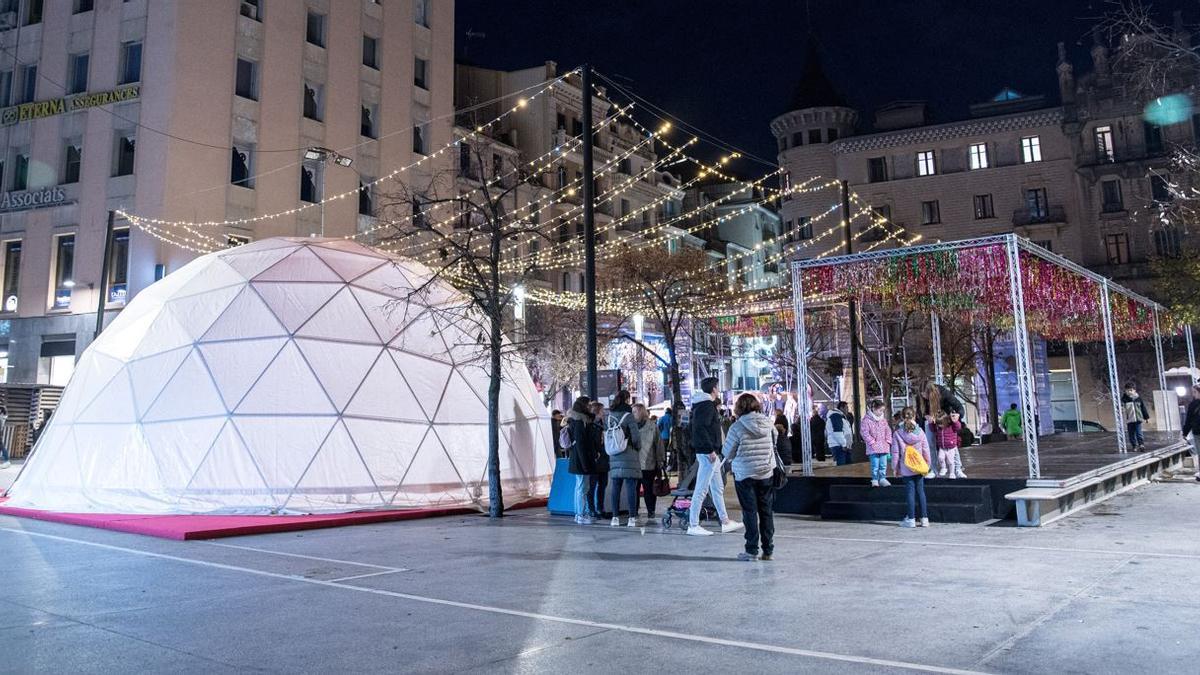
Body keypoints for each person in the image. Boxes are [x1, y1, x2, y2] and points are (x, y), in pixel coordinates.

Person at [723, 393, 778, 561]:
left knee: (749, 512)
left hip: (745, 474)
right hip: (766, 472)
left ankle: (751, 550)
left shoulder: (737, 427)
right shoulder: (768, 423)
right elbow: (774, 442)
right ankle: (768, 550)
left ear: (739, 408)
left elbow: (728, 452)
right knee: (766, 511)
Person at [686, 376, 743, 536]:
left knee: (717, 488)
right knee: (702, 489)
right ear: (713, 389)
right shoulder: (706, 406)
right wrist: (710, 449)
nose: (719, 390)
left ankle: (724, 521)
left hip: (710, 452)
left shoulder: (702, 405)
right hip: (708, 453)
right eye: (717, 387)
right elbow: (701, 429)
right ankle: (693, 524)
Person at [891, 407, 931, 528]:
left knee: (910, 493)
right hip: (919, 467)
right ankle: (924, 519)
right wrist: (927, 465)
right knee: (921, 492)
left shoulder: (897, 433)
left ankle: (911, 519)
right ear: (914, 417)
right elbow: (926, 450)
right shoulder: (921, 432)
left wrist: (895, 468)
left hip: (906, 467)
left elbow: (895, 453)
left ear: (902, 417)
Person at [607, 399, 642, 528]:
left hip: (614, 454)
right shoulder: (629, 417)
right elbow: (636, 437)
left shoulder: (609, 417)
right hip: (629, 454)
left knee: (615, 488)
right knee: (631, 488)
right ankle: (631, 518)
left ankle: (615, 517)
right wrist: (637, 447)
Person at [564, 397, 596, 524]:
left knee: (581, 487)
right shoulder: (579, 422)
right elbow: (581, 444)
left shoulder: (578, 420)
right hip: (581, 460)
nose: (590, 407)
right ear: (583, 406)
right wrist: (585, 463)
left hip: (578, 459)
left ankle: (580, 513)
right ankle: (580, 514)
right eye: (588, 404)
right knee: (582, 487)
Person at [634, 404, 667, 519]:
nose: (633, 414)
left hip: (648, 464)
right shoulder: (631, 426)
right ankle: (634, 511)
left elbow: (658, 445)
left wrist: (660, 461)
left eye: (635, 412)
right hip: (634, 464)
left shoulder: (652, 426)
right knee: (634, 489)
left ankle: (651, 510)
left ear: (642, 413)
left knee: (649, 489)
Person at [861, 399, 892, 487]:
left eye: (882, 410)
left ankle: (882, 478)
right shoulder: (866, 420)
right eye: (880, 410)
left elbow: (888, 430)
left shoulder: (883, 420)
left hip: (883, 446)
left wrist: (888, 441)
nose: (881, 412)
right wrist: (872, 442)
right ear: (874, 409)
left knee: (883, 464)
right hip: (873, 448)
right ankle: (875, 479)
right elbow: (864, 432)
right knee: (875, 465)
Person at [588, 401, 610, 519]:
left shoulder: (603, 425)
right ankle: (592, 509)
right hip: (595, 460)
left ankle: (600, 508)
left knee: (602, 485)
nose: (604, 413)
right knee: (592, 486)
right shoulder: (591, 425)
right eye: (602, 411)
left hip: (604, 459)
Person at [933, 412, 964, 479]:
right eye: (938, 424)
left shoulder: (951, 426)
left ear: (945, 422)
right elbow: (932, 428)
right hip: (942, 447)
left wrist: (955, 421)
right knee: (940, 458)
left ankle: (952, 473)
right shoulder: (939, 429)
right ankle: (944, 468)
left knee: (950, 461)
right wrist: (931, 422)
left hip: (951, 447)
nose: (940, 425)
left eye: (941, 424)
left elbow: (958, 427)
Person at [1121, 384, 1150, 452]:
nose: (1129, 392)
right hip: (1130, 419)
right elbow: (1121, 408)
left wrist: (1146, 417)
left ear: (1134, 390)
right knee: (1131, 434)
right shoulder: (1124, 399)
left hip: (1138, 419)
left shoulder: (1138, 399)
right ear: (1125, 391)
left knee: (1139, 432)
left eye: (1131, 390)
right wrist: (1122, 409)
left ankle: (1141, 444)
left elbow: (1143, 408)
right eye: (1127, 390)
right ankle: (1134, 445)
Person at [1181, 383, 1200, 482]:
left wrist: (1185, 433)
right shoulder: (1193, 404)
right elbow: (1188, 420)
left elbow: (1188, 420)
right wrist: (1185, 432)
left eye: (1195, 392)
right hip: (1197, 432)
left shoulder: (1193, 404)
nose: (1193, 394)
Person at [825, 401, 853, 465]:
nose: (848, 410)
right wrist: (844, 444)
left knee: (847, 467)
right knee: (842, 468)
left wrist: (848, 445)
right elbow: (837, 432)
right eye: (846, 408)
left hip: (842, 446)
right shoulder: (836, 416)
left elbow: (846, 431)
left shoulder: (840, 416)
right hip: (839, 446)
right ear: (841, 408)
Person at [0, 405, 9, 469]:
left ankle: (7, 460)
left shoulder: (0, 418)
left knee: (2, 447)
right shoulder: (3, 417)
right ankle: (6, 460)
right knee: (1, 447)